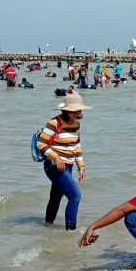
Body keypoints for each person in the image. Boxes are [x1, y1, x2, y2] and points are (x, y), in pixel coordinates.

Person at [36, 93, 90, 231]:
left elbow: (76, 146)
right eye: (74, 110)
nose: (77, 113)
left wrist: (81, 166)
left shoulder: (76, 125)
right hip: (54, 166)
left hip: (69, 166)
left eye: (79, 110)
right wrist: (56, 157)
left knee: (56, 197)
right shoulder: (54, 123)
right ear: (66, 109)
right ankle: (70, 232)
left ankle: (47, 226)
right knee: (75, 196)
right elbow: (41, 144)